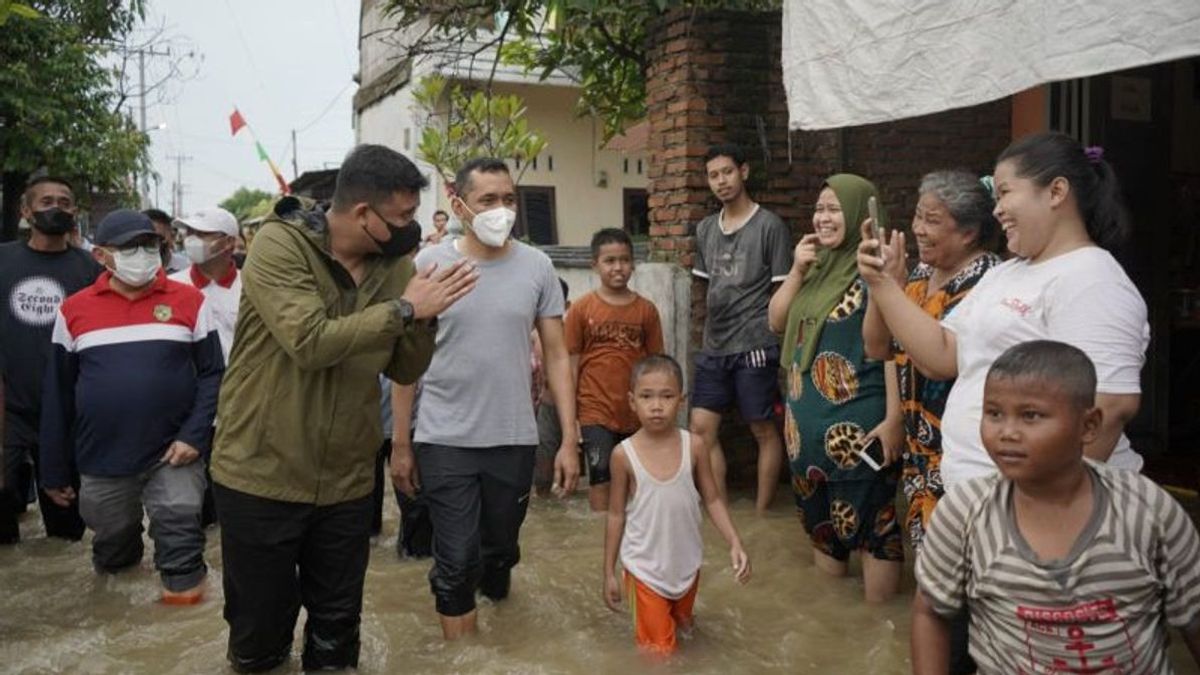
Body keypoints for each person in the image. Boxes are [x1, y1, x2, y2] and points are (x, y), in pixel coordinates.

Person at [210, 144, 474, 672]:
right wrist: (404, 309)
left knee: (337, 633)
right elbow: (309, 341)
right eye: (401, 217)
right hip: (261, 474)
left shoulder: (395, 267)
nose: (411, 229)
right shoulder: (278, 247)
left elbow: (403, 369)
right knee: (260, 637)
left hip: (347, 481)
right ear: (361, 213)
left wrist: (425, 318)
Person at [858, 132, 1150, 488]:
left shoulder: (1092, 278)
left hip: (1036, 512)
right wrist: (883, 284)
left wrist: (1044, 511)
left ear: (1056, 192)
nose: (996, 210)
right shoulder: (1006, 274)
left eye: (1005, 193)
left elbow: (1110, 405)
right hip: (980, 499)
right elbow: (942, 355)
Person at [911, 340, 1200, 674]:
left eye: (1030, 416)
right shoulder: (964, 513)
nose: (1007, 432)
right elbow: (930, 612)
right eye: (993, 414)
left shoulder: (1148, 511)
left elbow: (1193, 618)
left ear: (1089, 426)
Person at [391, 157, 581, 641]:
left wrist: (568, 439)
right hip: (443, 439)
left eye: (509, 199)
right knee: (455, 561)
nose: (502, 210)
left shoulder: (537, 267)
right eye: (488, 200)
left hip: (513, 439)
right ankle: (466, 662)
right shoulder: (430, 267)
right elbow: (405, 363)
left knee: (498, 553)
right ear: (459, 205)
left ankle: (499, 618)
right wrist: (401, 444)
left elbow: (558, 357)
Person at [39, 209, 223, 604]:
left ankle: (179, 623)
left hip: (174, 453)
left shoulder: (190, 301)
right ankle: (121, 619)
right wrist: (53, 469)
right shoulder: (73, 310)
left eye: (149, 244)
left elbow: (213, 374)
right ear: (101, 256)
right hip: (102, 458)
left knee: (180, 537)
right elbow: (58, 393)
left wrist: (194, 436)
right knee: (114, 551)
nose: (142, 253)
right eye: (129, 247)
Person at [767, 173, 904, 602]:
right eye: (819, 208)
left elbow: (892, 349)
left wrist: (895, 418)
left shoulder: (876, 270)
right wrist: (795, 270)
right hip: (805, 440)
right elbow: (776, 322)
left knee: (873, 531)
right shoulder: (816, 269)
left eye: (834, 209)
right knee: (824, 533)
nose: (823, 218)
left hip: (858, 433)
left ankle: (879, 626)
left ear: (862, 211)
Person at [862, 171, 1003, 550]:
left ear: (969, 233)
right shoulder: (921, 275)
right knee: (931, 566)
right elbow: (880, 347)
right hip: (918, 450)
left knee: (962, 559)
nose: (918, 229)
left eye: (932, 220)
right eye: (918, 216)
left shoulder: (987, 281)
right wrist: (882, 286)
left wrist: (887, 288)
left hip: (962, 452)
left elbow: (936, 361)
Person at [603, 354, 750, 656]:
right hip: (643, 569)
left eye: (666, 396)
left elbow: (712, 499)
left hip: (686, 566)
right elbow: (616, 515)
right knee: (660, 654)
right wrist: (608, 571)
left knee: (685, 629)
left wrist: (735, 541)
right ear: (632, 401)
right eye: (647, 396)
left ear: (681, 400)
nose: (656, 405)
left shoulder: (694, 446)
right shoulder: (623, 455)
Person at [689, 143, 792, 513]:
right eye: (714, 175)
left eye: (727, 172)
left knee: (763, 429)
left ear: (743, 172)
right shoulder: (705, 230)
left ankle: (762, 513)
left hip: (756, 345)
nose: (721, 181)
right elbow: (704, 288)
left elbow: (782, 290)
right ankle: (719, 511)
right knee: (701, 430)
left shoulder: (770, 226)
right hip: (714, 347)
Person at [0, 176, 98, 544]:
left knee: (67, 527)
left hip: (67, 414)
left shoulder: (90, 270)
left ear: (74, 212)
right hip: (8, 411)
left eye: (64, 202)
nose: (55, 208)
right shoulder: (3, 261)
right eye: (46, 202)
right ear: (26, 211)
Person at [567, 228, 664, 511]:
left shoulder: (646, 311)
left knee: (636, 479)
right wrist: (571, 419)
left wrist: (656, 408)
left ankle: (635, 539)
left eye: (624, 260)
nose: (618, 267)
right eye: (609, 261)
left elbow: (656, 365)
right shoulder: (581, 309)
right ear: (595, 265)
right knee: (601, 479)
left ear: (633, 263)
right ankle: (600, 540)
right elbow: (570, 364)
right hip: (594, 409)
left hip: (634, 411)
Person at [533, 277, 571, 497]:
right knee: (543, 471)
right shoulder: (531, 336)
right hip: (545, 406)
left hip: (575, 405)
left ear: (566, 306)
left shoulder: (573, 331)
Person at [143, 208, 189, 274]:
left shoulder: (187, 267)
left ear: (172, 236)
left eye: (159, 238)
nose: (153, 243)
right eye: (147, 238)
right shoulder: (133, 271)